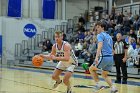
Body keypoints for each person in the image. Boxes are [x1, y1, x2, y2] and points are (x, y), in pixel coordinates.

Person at [89, 22, 118, 92]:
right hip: (110, 58)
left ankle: (98, 85)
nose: (96, 28)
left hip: (104, 57)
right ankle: (113, 88)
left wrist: (96, 57)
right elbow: (113, 49)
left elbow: (100, 46)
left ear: (103, 28)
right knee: (104, 75)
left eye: (98, 27)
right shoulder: (109, 36)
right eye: (96, 27)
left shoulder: (100, 35)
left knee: (91, 69)